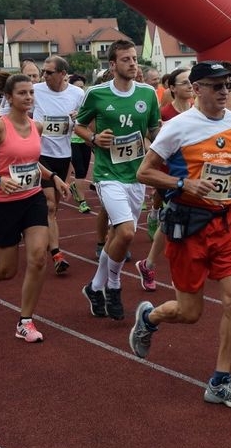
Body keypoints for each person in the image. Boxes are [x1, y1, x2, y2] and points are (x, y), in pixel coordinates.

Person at [130, 61, 231, 409]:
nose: (224, 91)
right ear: (197, 89)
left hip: (225, 223)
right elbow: (144, 172)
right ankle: (150, 318)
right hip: (189, 227)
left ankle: (220, 381)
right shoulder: (177, 127)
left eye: (227, 85)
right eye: (216, 86)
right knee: (189, 313)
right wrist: (183, 183)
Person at [0, 74, 70, 342]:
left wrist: (53, 177)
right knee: (7, 270)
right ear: (9, 97)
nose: (28, 97)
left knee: (38, 258)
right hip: (4, 203)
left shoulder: (37, 126)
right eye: (22, 93)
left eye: (31, 93)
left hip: (33, 199)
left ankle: (25, 321)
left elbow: (31, 162)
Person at [75, 40, 160, 320]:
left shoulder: (148, 94)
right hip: (107, 175)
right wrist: (94, 138)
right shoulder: (96, 94)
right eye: (126, 59)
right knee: (126, 233)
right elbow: (78, 125)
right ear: (112, 65)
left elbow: (154, 130)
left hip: (136, 175)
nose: (133, 63)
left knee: (116, 236)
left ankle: (94, 287)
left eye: (134, 58)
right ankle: (113, 285)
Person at [136, 67, 193, 286]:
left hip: (191, 173)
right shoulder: (164, 113)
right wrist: (157, 152)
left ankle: (148, 264)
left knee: (173, 218)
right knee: (176, 215)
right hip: (166, 174)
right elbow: (147, 138)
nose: (190, 86)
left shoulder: (198, 111)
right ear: (172, 88)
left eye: (191, 82)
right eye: (184, 82)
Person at [33, 55, 85, 273]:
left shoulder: (77, 94)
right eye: (43, 71)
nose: (44, 75)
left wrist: (78, 117)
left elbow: (86, 120)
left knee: (53, 207)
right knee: (50, 205)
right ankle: (56, 253)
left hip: (63, 155)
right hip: (40, 154)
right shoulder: (35, 90)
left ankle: (42, 234)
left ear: (63, 74)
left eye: (49, 72)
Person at [67, 74, 92, 214]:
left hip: (85, 139)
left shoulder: (88, 103)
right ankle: (82, 202)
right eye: (77, 87)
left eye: (82, 87)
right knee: (80, 170)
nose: (80, 90)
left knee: (85, 170)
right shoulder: (66, 101)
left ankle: (75, 187)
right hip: (72, 140)